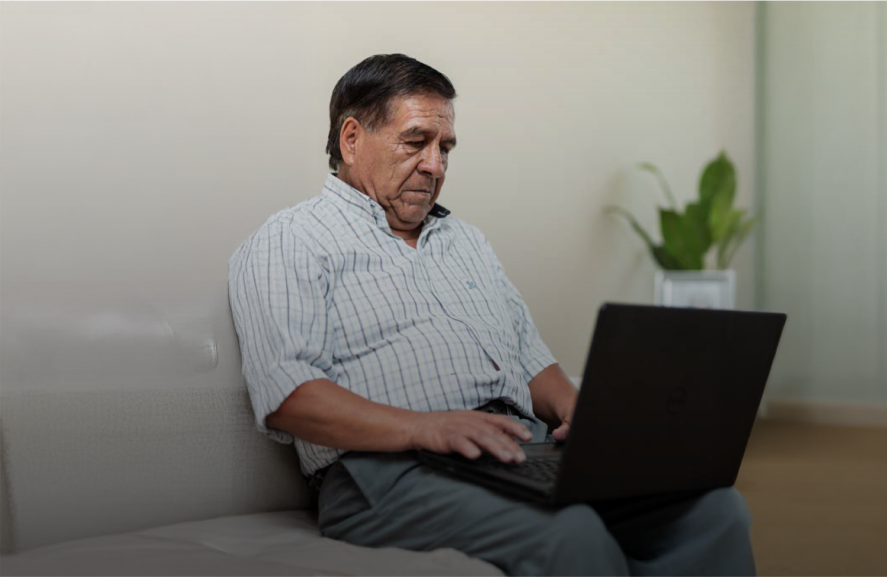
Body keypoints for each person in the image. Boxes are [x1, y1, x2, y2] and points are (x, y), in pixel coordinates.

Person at [228, 53, 757, 577]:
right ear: (351, 138)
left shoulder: (467, 242)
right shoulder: (290, 240)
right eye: (415, 142)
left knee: (713, 511)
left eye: (445, 148)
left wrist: (580, 409)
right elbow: (288, 395)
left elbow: (531, 360)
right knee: (571, 532)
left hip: (518, 449)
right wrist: (426, 428)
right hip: (387, 472)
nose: (435, 166)